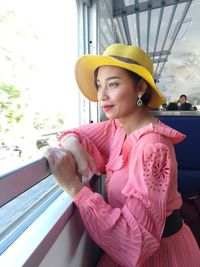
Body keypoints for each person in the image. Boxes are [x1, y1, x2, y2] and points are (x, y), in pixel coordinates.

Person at [44, 44, 200, 267]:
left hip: (162, 255)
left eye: (113, 84)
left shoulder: (153, 147)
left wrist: (74, 188)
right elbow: (73, 133)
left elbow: (137, 244)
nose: (102, 95)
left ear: (140, 89)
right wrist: (74, 146)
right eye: (99, 86)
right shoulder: (118, 128)